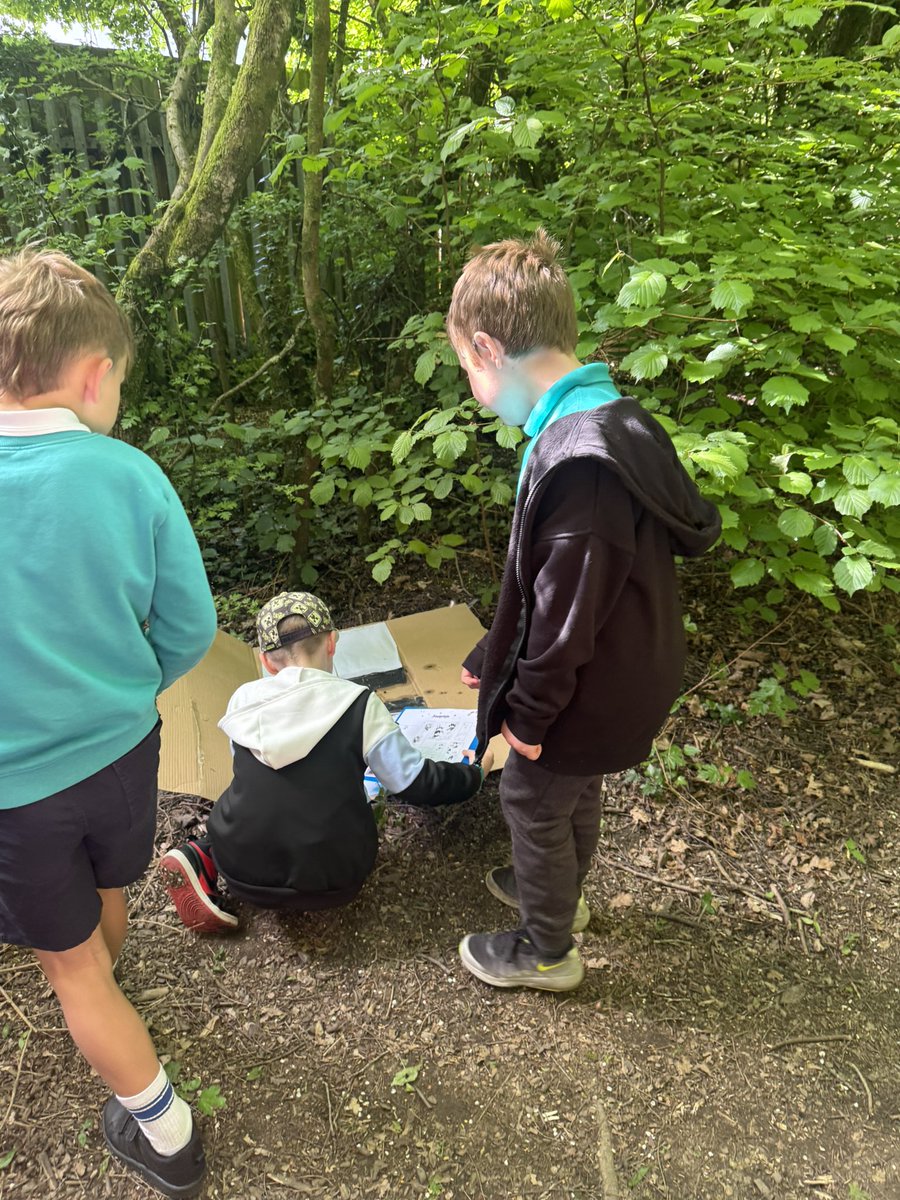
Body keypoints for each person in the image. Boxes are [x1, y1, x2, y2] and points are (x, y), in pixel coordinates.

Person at [446, 230, 721, 992]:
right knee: (573, 789)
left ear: (488, 347)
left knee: (530, 796)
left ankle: (546, 949)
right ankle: (560, 897)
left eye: (467, 367)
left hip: (594, 678)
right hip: (625, 668)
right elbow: (546, 584)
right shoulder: (616, 415)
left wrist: (527, 715)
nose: (472, 385)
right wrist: (491, 655)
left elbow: (567, 620)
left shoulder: (579, 460)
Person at [0, 250, 217, 1198]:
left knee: (71, 968)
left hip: (16, 787)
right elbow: (191, 628)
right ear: (96, 376)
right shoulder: (131, 476)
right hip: (126, 753)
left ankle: (165, 1134)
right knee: (105, 888)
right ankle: (107, 983)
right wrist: (131, 691)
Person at [160, 591, 492, 931]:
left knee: (252, 804)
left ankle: (202, 855)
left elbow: (243, 777)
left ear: (265, 661)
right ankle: (208, 856)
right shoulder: (359, 703)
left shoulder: (243, 699)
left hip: (241, 871)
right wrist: (473, 773)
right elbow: (415, 782)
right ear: (332, 643)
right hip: (335, 879)